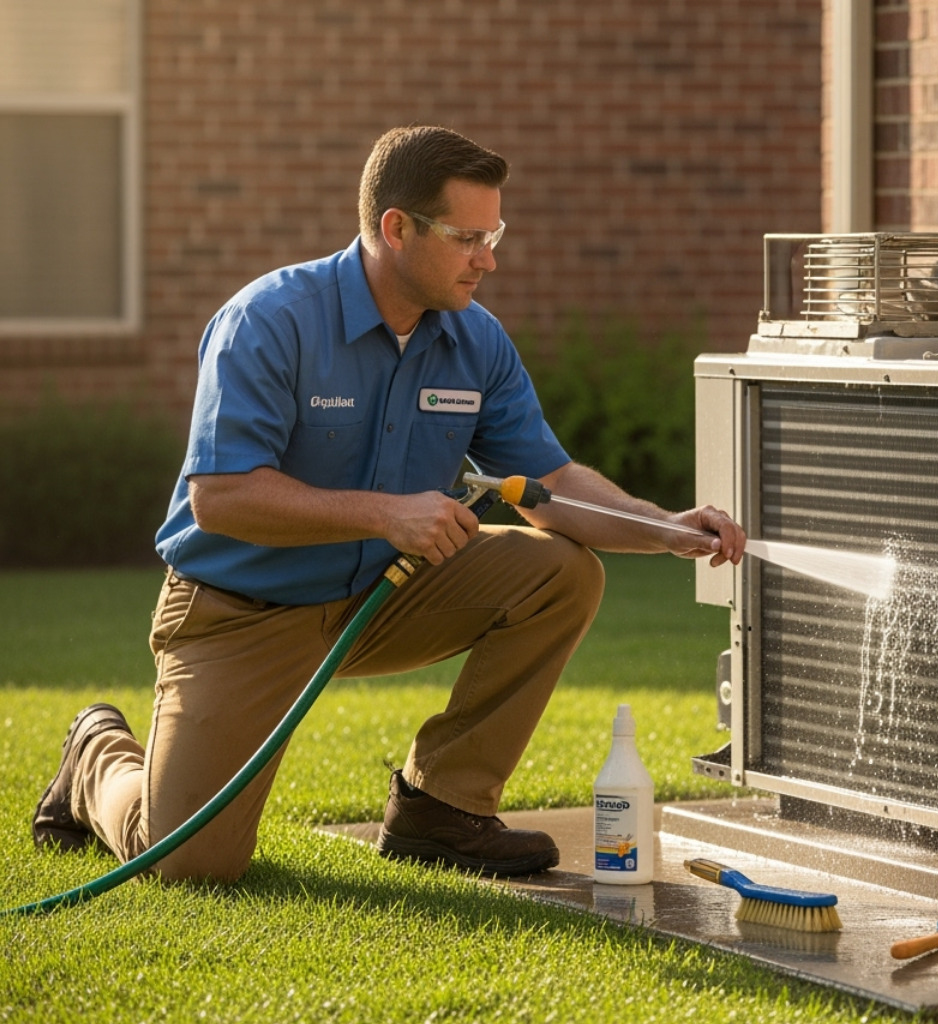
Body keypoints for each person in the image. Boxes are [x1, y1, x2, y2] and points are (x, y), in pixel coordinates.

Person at [31, 125, 745, 883]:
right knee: (186, 862)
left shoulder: (478, 342)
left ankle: (441, 809)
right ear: (395, 229)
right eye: (467, 236)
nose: (489, 258)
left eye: (492, 233)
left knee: (562, 572)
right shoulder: (270, 321)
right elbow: (221, 498)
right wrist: (384, 513)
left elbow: (553, 485)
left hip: (381, 599)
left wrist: (662, 527)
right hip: (240, 612)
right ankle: (96, 758)